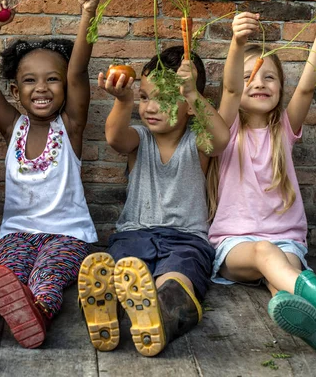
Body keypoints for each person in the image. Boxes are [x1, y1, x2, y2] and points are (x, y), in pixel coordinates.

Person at [208, 2, 316, 358]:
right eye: (252, 75)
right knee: (268, 256)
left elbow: (308, 89)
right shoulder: (226, 128)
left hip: (286, 242)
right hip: (236, 245)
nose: (260, 82)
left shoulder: (283, 129)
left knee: (281, 282)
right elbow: (232, 91)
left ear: (281, 88)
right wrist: (237, 43)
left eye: (270, 77)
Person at [79, 44, 232, 356]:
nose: (150, 106)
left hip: (186, 240)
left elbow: (221, 140)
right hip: (134, 234)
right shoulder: (140, 138)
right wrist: (123, 101)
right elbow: (114, 137)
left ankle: (160, 314)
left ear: (189, 105)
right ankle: (108, 305)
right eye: (146, 97)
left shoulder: (198, 142)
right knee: (123, 271)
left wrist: (192, 94)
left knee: (176, 281)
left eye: (163, 97)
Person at [0, 0, 101, 349]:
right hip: (17, 233)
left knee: (47, 274)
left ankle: (38, 312)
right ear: (16, 92)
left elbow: (78, 71)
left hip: (68, 235)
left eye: (52, 80)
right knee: (4, 274)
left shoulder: (71, 126)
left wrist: (88, 13)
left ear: (65, 89)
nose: (41, 88)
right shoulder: (13, 127)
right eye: (29, 81)